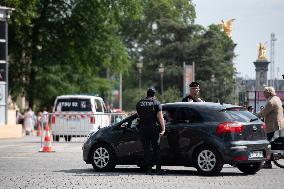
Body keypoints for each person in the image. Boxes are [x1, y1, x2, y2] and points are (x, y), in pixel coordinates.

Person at [136, 88, 166, 175]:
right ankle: (158, 169)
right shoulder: (156, 103)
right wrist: (163, 128)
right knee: (156, 149)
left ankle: (148, 170)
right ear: (154, 95)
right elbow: (160, 117)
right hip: (153, 128)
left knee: (146, 149)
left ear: (147, 94)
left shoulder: (139, 103)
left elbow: (138, 116)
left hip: (143, 128)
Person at [258, 86, 284, 168]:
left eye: (264, 92)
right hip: (279, 123)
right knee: (271, 142)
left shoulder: (271, 101)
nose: (263, 94)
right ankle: (270, 160)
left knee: (267, 143)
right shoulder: (277, 98)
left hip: (272, 124)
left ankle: (268, 163)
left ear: (269, 93)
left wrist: (255, 116)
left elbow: (264, 112)